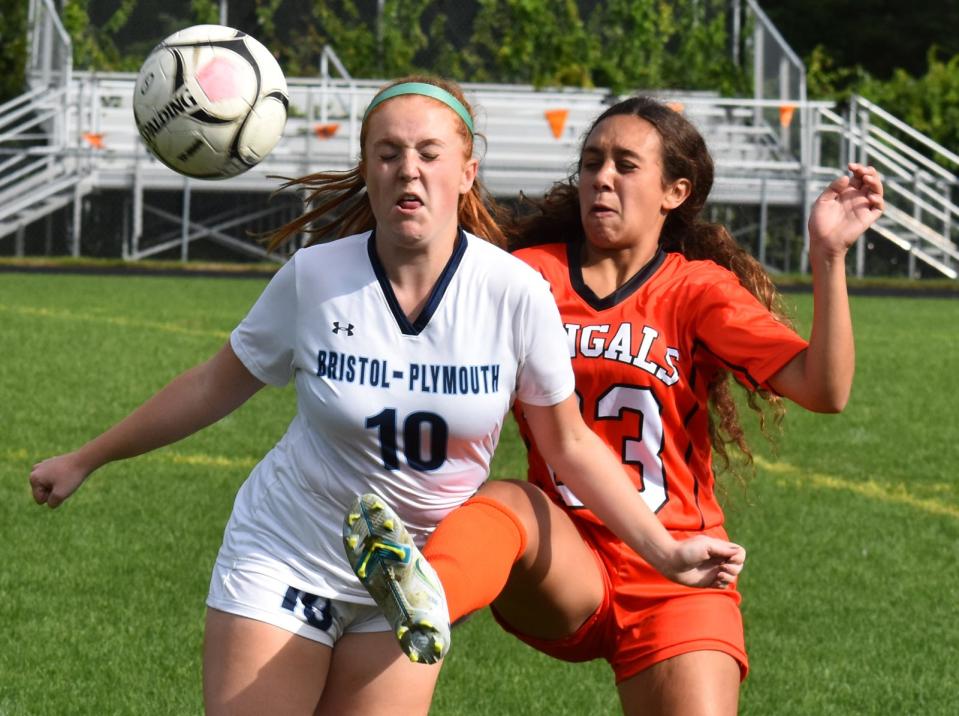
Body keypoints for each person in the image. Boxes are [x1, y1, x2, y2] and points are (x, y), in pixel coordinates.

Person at [29, 81, 744, 715]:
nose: (409, 168)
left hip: (414, 581)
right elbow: (215, 385)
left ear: (466, 172)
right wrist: (86, 458)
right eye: (389, 151)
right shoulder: (314, 276)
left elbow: (569, 445)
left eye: (430, 153)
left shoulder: (513, 291)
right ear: (367, 167)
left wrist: (663, 551)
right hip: (287, 548)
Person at [350, 96, 885, 715]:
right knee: (509, 501)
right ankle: (422, 597)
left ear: (674, 192)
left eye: (626, 165)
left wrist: (829, 255)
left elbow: (825, 389)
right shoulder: (527, 276)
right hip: (562, 560)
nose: (601, 177)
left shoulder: (696, 290)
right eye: (591, 161)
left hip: (678, 569)